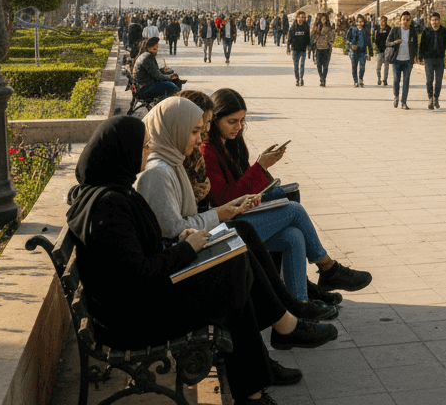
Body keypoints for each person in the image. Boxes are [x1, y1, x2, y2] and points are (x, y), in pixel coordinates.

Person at [66, 116, 302, 404]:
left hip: (137, 302)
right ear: (122, 152)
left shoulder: (110, 192)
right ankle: (274, 346)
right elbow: (140, 273)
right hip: (133, 321)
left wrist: (179, 243)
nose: (148, 150)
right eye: (142, 146)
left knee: (234, 251)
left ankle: (262, 369)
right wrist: (187, 249)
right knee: (232, 276)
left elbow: (138, 257)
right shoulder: (109, 205)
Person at [135, 96, 338, 346]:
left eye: (241, 121)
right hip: (177, 267)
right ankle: (322, 276)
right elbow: (177, 230)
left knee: (288, 235)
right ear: (174, 128)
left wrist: (229, 207)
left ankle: (294, 310)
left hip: (185, 251)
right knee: (269, 228)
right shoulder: (160, 171)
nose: (202, 138)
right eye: (197, 130)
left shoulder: (175, 161)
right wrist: (226, 208)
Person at [203, 89, 373, 299]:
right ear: (215, 119)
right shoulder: (207, 150)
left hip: (242, 217)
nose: (238, 127)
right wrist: (259, 168)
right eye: (232, 121)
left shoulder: (230, 144)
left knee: (293, 233)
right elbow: (225, 199)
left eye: (241, 121)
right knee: (294, 210)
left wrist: (262, 172)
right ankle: (329, 268)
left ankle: (300, 301)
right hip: (224, 228)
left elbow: (241, 185)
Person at [132, 36, 181, 103]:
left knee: (169, 83)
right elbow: (158, 77)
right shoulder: (148, 57)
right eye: (155, 48)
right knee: (171, 85)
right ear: (149, 48)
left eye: (157, 47)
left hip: (143, 86)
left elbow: (152, 72)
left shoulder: (144, 55)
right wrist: (170, 77)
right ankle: (175, 104)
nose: (157, 49)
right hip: (144, 89)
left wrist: (162, 70)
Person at [385, 11, 418, 109]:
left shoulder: (412, 31)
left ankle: (404, 102)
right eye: (404, 19)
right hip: (397, 60)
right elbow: (387, 42)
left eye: (408, 20)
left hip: (408, 61)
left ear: (410, 21)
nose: (406, 21)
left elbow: (416, 45)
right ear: (400, 21)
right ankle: (396, 96)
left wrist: (415, 56)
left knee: (406, 81)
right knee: (396, 80)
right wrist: (395, 42)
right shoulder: (395, 30)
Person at [418, 12, 446, 110]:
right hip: (429, 59)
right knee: (429, 80)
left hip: (440, 58)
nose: (434, 22)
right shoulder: (426, 31)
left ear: (439, 21)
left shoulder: (444, 31)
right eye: (433, 20)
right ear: (430, 21)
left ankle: (436, 97)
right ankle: (430, 98)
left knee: (439, 80)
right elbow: (422, 45)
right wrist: (420, 57)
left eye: (436, 20)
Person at [345, 15, 370, 88]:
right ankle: (355, 81)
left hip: (362, 51)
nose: (360, 23)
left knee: (362, 67)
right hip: (354, 51)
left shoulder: (365, 30)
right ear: (356, 22)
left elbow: (368, 42)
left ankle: (361, 79)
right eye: (358, 22)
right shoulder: (352, 29)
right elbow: (347, 39)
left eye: (361, 22)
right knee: (354, 67)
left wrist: (369, 52)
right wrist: (351, 45)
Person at [287, 11, 311, 87]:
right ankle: (297, 79)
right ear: (297, 17)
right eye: (300, 17)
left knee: (302, 65)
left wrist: (309, 46)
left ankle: (301, 78)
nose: (301, 19)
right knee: (296, 66)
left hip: (303, 49)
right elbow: (289, 38)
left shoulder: (305, 27)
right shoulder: (293, 27)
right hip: (295, 49)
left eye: (303, 18)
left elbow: (308, 38)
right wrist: (288, 47)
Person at [311, 13, 334, 86]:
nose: (323, 20)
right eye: (322, 19)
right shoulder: (316, 28)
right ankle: (321, 77)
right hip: (318, 48)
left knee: (325, 65)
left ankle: (323, 78)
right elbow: (312, 37)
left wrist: (328, 41)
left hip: (326, 49)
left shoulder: (328, 29)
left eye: (324, 19)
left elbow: (332, 39)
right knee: (318, 65)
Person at [373, 17, 390, 86]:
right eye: (381, 21)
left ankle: (385, 79)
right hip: (379, 51)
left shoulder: (389, 29)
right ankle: (379, 78)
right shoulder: (377, 29)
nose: (382, 23)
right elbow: (374, 40)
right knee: (378, 67)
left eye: (384, 21)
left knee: (386, 67)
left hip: (387, 51)